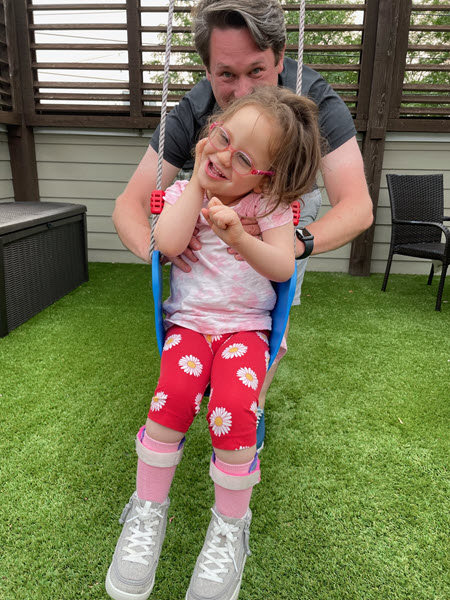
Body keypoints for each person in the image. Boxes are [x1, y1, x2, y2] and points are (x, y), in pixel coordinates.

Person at [105, 85, 322, 600]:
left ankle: (229, 526)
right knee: (172, 399)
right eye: (221, 138)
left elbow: (283, 266)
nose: (223, 155)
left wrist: (240, 238)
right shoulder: (183, 193)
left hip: (245, 331)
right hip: (188, 328)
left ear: (265, 176)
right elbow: (170, 244)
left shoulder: (270, 208)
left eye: (242, 157)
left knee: (232, 411)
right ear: (208, 133)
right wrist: (199, 191)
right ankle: (147, 510)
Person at [112, 0, 373, 423]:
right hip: (202, 251)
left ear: (281, 57)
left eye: (256, 70)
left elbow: (358, 206)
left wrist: (292, 242)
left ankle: (252, 406)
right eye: (226, 75)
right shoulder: (195, 108)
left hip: (281, 224)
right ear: (208, 69)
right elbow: (130, 202)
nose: (243, 93)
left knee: (270, 316)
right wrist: (158, 248)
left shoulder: (313, 99)